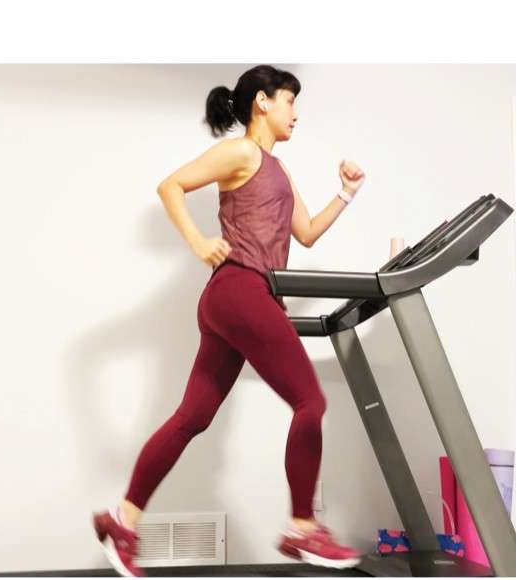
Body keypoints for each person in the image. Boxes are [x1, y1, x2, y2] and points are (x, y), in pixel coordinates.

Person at [92, 64, 366, 576]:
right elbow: (170, 186)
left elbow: (305, 233)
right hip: (238, 288)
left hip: (238, 298)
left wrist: (347, 192)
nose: (295, 113)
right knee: (310, 399)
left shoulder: (280, 171)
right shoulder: (243, 152)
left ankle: (121, 519)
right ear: (262, 101)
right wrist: (198, 242)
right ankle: (303, 527)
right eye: (288, 101)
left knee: (192, 417)